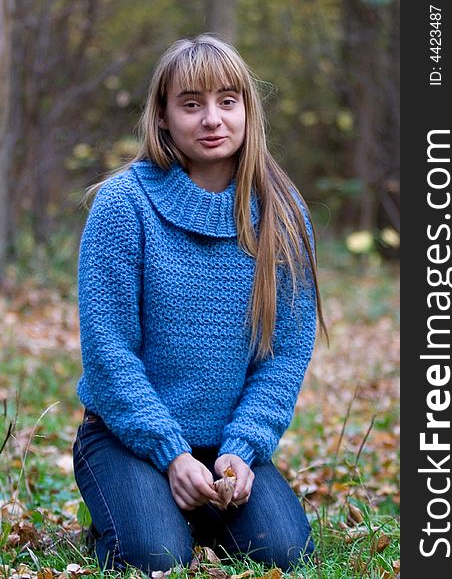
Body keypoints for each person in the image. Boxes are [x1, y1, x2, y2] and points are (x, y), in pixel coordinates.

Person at [72, 33, 327, 575]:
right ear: (163, 115)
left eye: (227, 101)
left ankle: (194, 507)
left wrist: (244, 448)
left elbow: (284, 354)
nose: (212, 118)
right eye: (191, 103)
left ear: (246, 110)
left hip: (225, 446)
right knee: (155, 556)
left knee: (285, 551)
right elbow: (108, 350)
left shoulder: (282, 213)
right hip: (126, 438)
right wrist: (171, 454)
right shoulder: (124, 205)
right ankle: (136, 507)